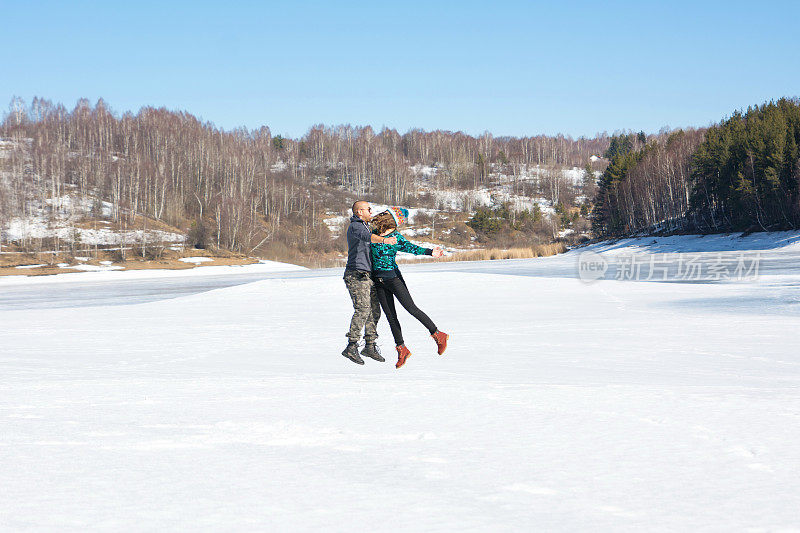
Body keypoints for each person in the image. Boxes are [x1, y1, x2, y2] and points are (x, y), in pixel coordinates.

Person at [370, 207, 449, 369]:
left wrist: (430, 252)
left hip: (393, 279)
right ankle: (402, 348)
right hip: (377, 281)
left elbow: (413, 248)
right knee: (391, 317)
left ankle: (438, 334)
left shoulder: (396, 237)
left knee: (411, 308)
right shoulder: (373, 234)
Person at [342, 201, 398, 365]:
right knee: (363, 309)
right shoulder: (356, 226)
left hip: (368, 276)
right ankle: (351, 346)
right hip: (356, 274)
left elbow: (375, 233)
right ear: (359, 212)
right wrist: (384, 240)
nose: (371, 211)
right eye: (368, 209)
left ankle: (370, 345)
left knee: (375, 310)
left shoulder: (366, 226)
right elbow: (368, 238)